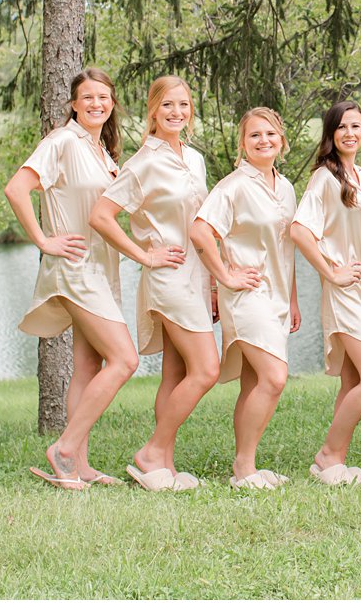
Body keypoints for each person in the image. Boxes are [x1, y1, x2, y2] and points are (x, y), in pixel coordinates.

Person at [6, 68, 138, 490]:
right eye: (88, 97)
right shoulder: (62, 141)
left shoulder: (103, 152)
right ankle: (63, 448)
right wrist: (44, 241)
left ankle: (79, 465)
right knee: (125, 360)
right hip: (76, 268)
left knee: (87, 365)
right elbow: (16, 188)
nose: (97, 103)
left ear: (112, 104)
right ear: (74, 104)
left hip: (103, 269)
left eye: (104, 97)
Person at [90, 76, 218, 492]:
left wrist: (215, 280)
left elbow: (201, 225)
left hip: (196, 276)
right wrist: (144, 255)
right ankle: (151, 450)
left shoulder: (193, 159)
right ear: (153, 110)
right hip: (168, 278)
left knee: (176, 372)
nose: (176, 112)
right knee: (206, 370)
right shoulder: (144, 162)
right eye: (168, 105)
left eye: (183, 105)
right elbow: (101, 216)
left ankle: (162, 464)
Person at [193, 107, 299, 490]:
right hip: (247, 295)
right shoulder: (232, 186)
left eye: (270, 134)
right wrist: (224, 277)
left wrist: (294, 299)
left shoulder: (285, 187)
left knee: (254, 382)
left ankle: (248, 466)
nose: (264, 140)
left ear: (281, 141)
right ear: (243, 143)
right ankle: (243, 468)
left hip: (278, 298)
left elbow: (286, 248)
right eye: (255, 135)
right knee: (274, 378)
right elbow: (201, 232)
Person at [291, 100, 361, 486]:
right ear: (331, 134)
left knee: (351, 381)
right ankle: (328, 453)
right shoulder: (325, 179)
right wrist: (332, 271)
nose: (350, 133)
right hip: (345, 290)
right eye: (342, 127)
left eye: (356, 126)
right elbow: (300, 231)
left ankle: (334, 465)